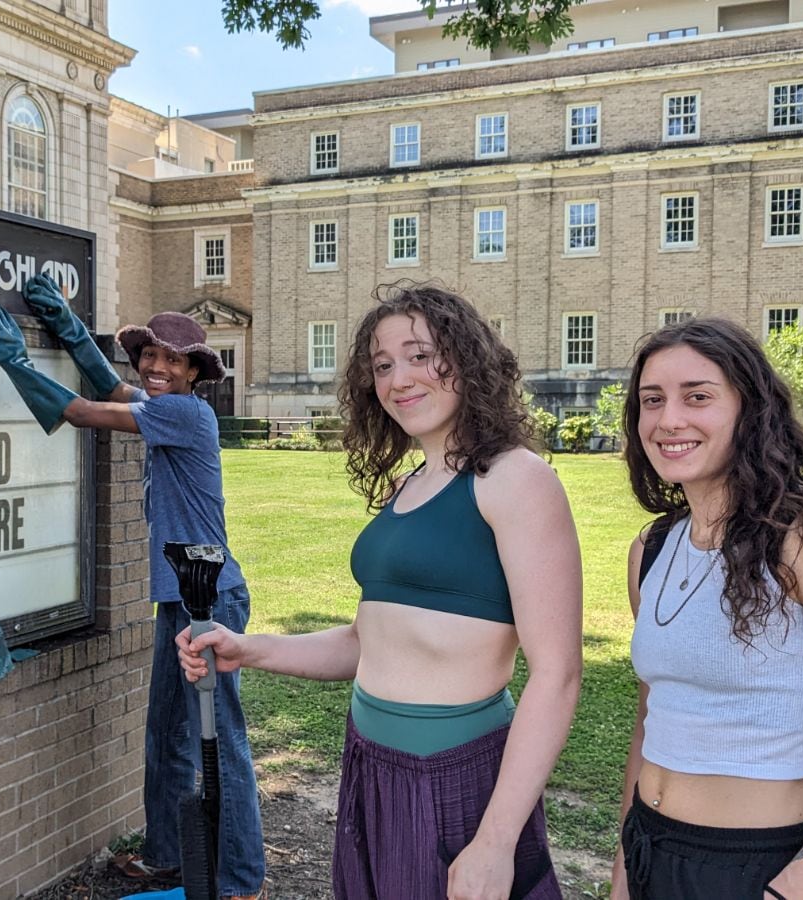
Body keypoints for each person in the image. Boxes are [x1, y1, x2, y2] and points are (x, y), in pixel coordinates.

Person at [178, 283, 580, 900]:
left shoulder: (515, 479)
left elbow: (556, 675)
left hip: (454, 775)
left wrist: (496, 841)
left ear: (467, 359)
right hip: (370, 762)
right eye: (383, 364)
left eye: (420, 355)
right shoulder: (410, 486)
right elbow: (368, 644)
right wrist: (247, 648)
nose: (399, 379)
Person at [611, 318, 803, 899]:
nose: (668, 420)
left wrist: (789, 894)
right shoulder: (651, 549)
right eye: (651, 401)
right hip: (650, 850)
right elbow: (653, 716)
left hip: (756, 870)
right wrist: (624, 873)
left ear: (749, 409)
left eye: (697, 397)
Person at [0, 278, 266, 900]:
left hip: (210, 598)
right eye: (150, 355)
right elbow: (113, 388)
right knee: (168, 734)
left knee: (224, 739)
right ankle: (168, 856)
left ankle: (242, 879)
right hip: (182, 597)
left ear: (194, 371)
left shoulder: (184, 413)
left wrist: (16, 362)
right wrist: (69, 330)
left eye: (173, 359)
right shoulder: (165, 406)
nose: (158, 367)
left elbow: (86, 411)